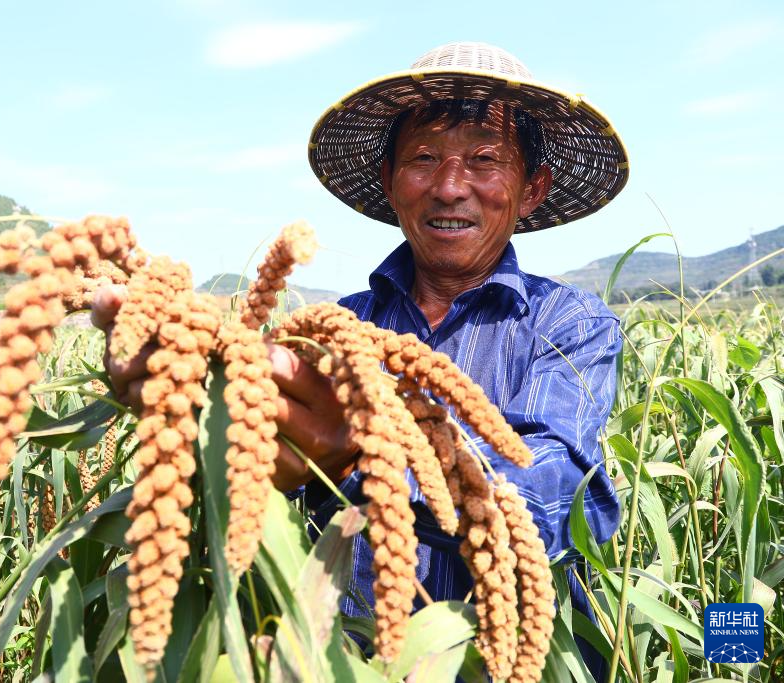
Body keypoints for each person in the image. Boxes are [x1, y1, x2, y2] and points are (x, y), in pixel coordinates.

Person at [92, 41, 626, 678]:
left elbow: (555, 502)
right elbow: (249, 477)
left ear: (531, 188)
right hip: (341, 657)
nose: (451, 187)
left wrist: (362, 459)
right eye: (423, 159)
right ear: (390, 183)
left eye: (485, 160)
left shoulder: (568, 324)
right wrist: (193, 402)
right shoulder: (331, 333)